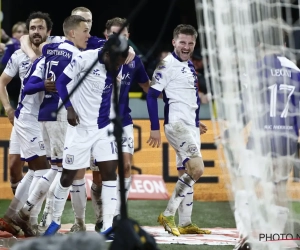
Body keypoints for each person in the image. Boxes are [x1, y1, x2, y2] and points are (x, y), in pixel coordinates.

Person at [9, 14, 91, 237]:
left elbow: (28, 86)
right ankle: (28, 214)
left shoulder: (50, 53)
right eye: (85, 31)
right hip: (61, 115)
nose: (89, 35)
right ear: (72, 32)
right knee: (61, 169)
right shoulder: (76, 55)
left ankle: (31, 215)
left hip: (44, 115)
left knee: (55, 168)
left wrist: (45, 84)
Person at [43, 34, 129, 236]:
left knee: (109, 174)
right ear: (107, 54)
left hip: (103, 128)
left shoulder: (117, 60)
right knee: (68, 175)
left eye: (121, 63)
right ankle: (54, 221)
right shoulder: (85, 59)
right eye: (116, 62)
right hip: (80, 128)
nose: (118, 66)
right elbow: (62, 82)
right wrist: (70, 108)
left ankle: (107, 225)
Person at [232, 24, 300, 250]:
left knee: (245, 185)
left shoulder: (254, 69)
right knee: (280, 189)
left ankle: (243, 236)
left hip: (261, 138)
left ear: (259, 44)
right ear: (284, 44)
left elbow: (246, 107)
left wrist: (231, 131)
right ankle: (273, 240)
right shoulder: (295, 70)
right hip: (287, 140)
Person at [146, 24, 210, 236]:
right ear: (174, 42)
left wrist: (196, 121)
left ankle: (185, 222)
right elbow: (151, 95)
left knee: (186, 172)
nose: (186, 46)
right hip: (177, 125)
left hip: (189, 125)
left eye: (190, 43)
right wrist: (154, 127)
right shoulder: (166, 65)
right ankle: (168, 214)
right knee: (197, 169)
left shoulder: (190, 65)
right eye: (182, 42)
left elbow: (188, 98)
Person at [89, 17, 150, 232]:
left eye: (123, 35)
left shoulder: (134, 60)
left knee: (124, 166)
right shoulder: (96, 55)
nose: (119, 39)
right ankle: (100, 216)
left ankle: (116, 218)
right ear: (106, 36)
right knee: (99, 177)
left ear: (128, 37)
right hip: (97, 123)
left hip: (123, 120)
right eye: (114, 34)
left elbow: (147, 86)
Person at [0, 11, 53, 237]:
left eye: (40, 28)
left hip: (47, 121)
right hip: (27, 118)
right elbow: (2, 82)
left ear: (49, 32)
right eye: (33, 28)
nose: (36, 32)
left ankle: (16, 217)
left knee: (37, 170)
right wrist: (7, 108)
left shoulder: (55, 51)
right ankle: (21, 217)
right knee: (35, 169)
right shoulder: (19, 54)